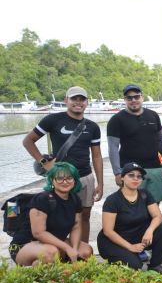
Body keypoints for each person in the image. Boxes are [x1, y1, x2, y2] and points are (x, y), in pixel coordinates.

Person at [22, 86, 103, 242]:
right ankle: (58, 249)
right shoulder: (53, 120)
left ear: (87, 102)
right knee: (56, 216)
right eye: (74, 99)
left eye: (82, 99)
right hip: (61, 178)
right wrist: (43, 162)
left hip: (85, 176)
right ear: (66, 100)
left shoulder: (93, 127)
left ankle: (81, 250)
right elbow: (28, 141)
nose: (78, 102)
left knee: (84, 216)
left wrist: (100, 183)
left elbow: (97, 156)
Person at [8, 162, 93, 266]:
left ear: (75, 180)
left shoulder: (75, 199)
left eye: (69, 178)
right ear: (52, 180)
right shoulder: (42, 199)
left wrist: (74, 249)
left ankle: (65, 272)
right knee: (51, 252)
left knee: (85, 251)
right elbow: (39, 233)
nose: (65, 182)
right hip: (25, 244)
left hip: (54, 242)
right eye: (60, 178)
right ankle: (37, 273)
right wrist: (67, 248)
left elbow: (76, 226)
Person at [97, 162, 162, 274]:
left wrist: (150, 231)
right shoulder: (113, 200)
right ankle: (120, 258)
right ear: (122, 178)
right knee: (134, 267)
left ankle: (155, 265)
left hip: (136, 235)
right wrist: (130, 247)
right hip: (113, 241)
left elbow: (157, 216)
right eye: (131, 175)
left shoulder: (145, 194)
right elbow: (108, 231)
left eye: (139, 176)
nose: (135, 178)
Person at [107, 84, 162, 203]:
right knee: (132, 205)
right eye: (129, 98)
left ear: (142, 97)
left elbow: (161, 141)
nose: (133, 100)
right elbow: (113, 147)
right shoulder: (116, 120)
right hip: (130, 170)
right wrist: (117, 172)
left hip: (154, 168)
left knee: (154, 204)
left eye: (136, 97)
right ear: (125, 100)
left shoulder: (153, 115)